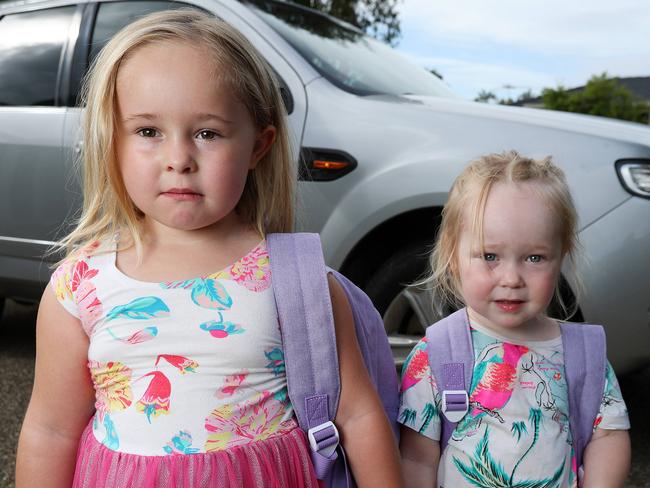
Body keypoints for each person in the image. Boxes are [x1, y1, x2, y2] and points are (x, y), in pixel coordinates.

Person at [15, 10, 402, 488]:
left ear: (258, 147)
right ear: (111, 140)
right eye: (148, 131)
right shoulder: (80, 286)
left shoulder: (296, 278)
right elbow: (51, 429)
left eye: (207, 133)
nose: (179, 159)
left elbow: (358, 415)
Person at [398, 151, 631, 487]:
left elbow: (608, 436)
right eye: (490, 256)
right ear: (453, 257)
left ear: (560, 256)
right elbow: (416, 457)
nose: (511, 278)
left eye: (534, 257)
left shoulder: (584, 355)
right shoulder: (436, 356)